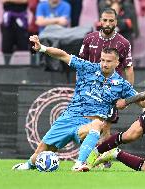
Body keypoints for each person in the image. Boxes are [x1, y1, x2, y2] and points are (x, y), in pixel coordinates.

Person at [12, 35, 137, 172]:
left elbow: (140, 100)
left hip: (87, 124)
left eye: (108, 61)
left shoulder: (122, 85)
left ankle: (79, 163)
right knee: (39, 154)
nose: (104, 64)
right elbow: (63, 56)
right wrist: (42, 48)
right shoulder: (87, 67)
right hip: (68, 118)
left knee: (97, 124)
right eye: (102, 60)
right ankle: (29, 164)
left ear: (117, 63)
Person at [79, 8, 134, 157]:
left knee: (105, 128)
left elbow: (129, 69)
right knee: (88, 127)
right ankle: (86, 158)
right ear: (100, 21)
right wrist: (80, 88)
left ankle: (104, 159)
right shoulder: (89, 39)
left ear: (116, 22)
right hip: (90, 91)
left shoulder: (124, 43)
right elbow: (80, 66)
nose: (108, 23)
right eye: (105, 20)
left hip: (112, 92)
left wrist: (127, 98)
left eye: (111, 21)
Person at [0, 0, 29, 65]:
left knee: (23, 46)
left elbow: (25, 1)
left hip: (21, 20)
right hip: (8, 20)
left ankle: (23, 68)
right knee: (6, 47)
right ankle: (6, 66)